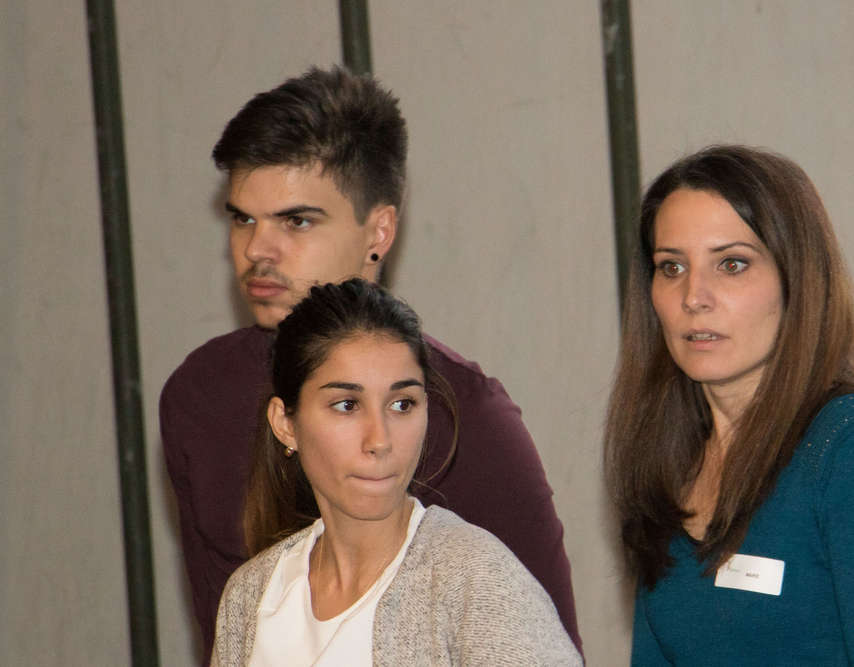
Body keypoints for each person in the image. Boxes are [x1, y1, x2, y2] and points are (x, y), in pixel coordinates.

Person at [160, 66, 580, 662]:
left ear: (378, 231)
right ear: (283, 421)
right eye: (242, 218)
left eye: (297, 220)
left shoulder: (470, 415)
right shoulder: (199, 396)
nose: (256, 249)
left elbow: (540, 639)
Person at [603, 145, 854, 666]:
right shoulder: (663, 454)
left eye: (731, 264)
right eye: (671, 267)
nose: (694, 296)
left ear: (797, 281)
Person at [212, 279, 581, 667]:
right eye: (347, 405)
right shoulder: (250, 596)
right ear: (285, 424)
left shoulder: (476, 581)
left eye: (402, 404)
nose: (380, 440)